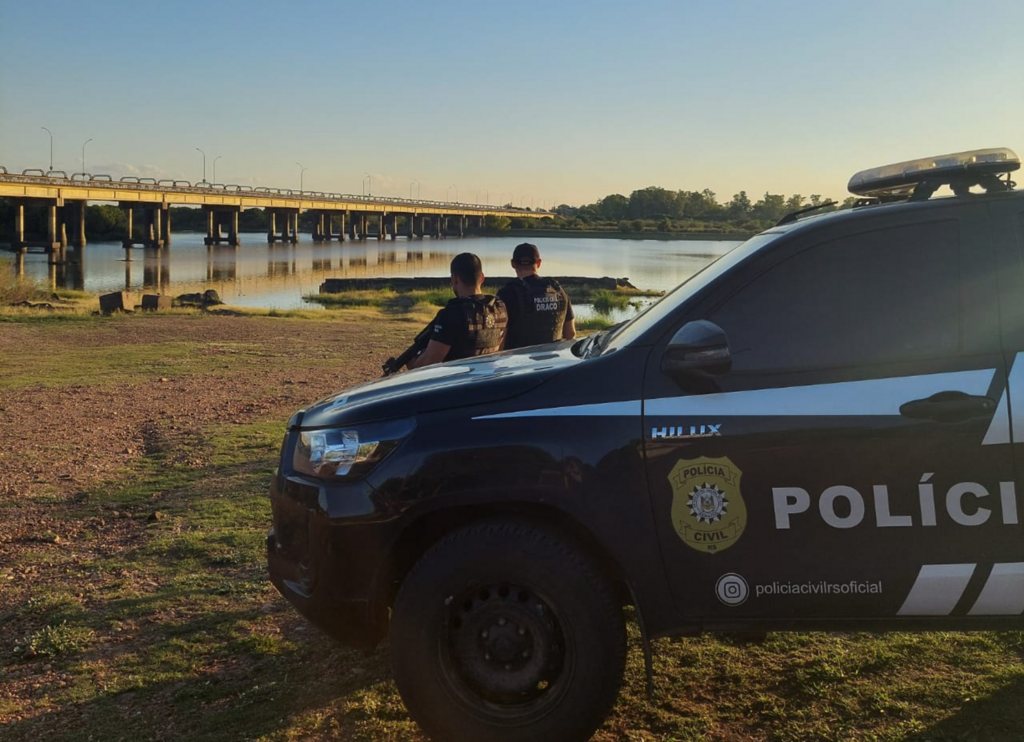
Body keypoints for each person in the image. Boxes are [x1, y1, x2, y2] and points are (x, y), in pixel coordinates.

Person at [407, 253, 508, 370]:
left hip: (458, 384)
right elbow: (500, 350)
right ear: (482, 278)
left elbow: (428, 363)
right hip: (487, 382)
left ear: (455, 278)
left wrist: (412, 362)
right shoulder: (500, 308)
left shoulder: (452, 314)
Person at [497, 243, 575, 350]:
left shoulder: (507, 293)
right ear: (539, 263)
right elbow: (570, 334)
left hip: (519, 363)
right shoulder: (558, 290)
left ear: (513, 264)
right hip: (553, 363)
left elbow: (499, 340)